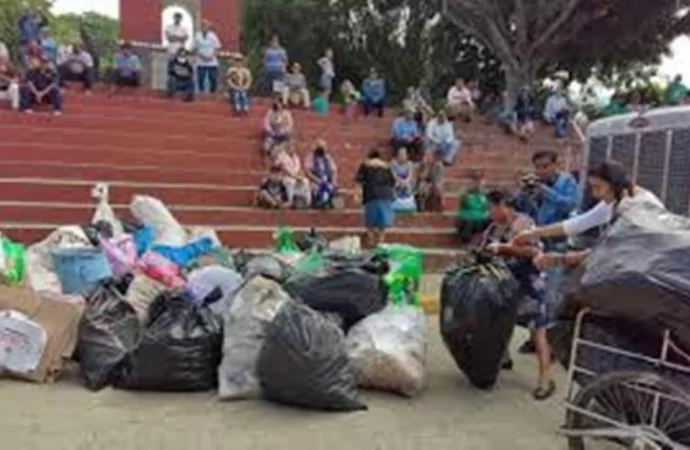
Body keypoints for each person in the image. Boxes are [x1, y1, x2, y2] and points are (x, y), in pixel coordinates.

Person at [482, 190, 556, 401]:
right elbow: (484, 247)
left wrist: (505, 248)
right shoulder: (494, 228)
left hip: (531, 284)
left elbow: (534, 252)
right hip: (508, 283)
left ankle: (546, 379)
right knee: (500, 320)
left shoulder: (524, 224)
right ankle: (503, 358)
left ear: (504, 204)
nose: (490, 212)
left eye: (491, 207)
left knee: (537, 332)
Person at [513, 160, 663, 248]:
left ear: (615, 185)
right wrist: (533, 233)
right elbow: (578, 223)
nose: (595, 194)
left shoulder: (640, 204)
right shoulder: (614, 201)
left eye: (598, 187)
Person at [514, 150, 577, 354]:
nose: (541, 171)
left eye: (545, 166)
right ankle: (535, 340)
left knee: (552, 296)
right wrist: (524, 192)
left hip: (558, 245)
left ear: (555, 165)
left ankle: (550, 344)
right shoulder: (535, 186)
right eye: (537, 167)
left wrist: (545, 191)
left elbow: (570, 206)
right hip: (538, 245)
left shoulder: (567, 182)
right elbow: (523, 209)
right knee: (535, 293)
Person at [355, 149, 396, 247]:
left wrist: (358, 194)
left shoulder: (365, 165)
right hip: (385, 196)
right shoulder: (386, 166)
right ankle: (380, 241)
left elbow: (359, 181)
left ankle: (371, 240)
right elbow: (393, 182)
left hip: (371, 195)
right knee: (383, 222)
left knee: (370, 221)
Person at [456, 169, 489, 244]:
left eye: (481, 180)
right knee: (468, 222)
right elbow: (465, 204)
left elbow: (487, 209)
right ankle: (465, 242)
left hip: (480, 220)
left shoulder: (485, 194)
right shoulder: (466, 193)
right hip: (468, 219)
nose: (479, 183)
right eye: (476, 180)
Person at [274, 142, 311, 209]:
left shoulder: (296, 157)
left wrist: (299, 176)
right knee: (291, 181)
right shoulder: (282, 156)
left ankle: (307, 201)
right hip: (285, 176)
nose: (292, 149)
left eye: (293, 147)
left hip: (296, 176)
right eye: (290, 147)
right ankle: (290, 201)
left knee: (306, 181)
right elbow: (278, 166)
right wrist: (291, 175)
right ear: (287, 147)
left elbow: (299, 169)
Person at [305, 140, 338, 209]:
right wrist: (318, 180)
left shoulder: (327, 157)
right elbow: (308, 172)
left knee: (329, 186)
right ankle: (321, 202)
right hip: (316, 180)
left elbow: (334, 170)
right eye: (321, 147)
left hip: (327, 179)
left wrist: (334, 180)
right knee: (319, 187)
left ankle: (326, 201)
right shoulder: (311, 157)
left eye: (324, 147)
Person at [194, 20, 221, 94]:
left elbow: (217, 47)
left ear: (208, 27)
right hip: (201, 60)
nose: (204, 27)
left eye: (205, 25)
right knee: (201, 78)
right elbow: (195, 48)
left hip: (211, 61)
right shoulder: (197, 35)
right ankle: (201, 93)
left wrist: (211, 56)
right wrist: (202, 56)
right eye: (202, 25)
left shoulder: (213, 36)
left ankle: (213, 93)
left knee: (212, 78)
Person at [390, 148, 417, 212]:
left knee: (408, 185)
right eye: (400, 154)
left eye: (403, 154)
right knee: (396, 184)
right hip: (397, 181)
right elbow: (394, 175)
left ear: (406, 155)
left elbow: (410, 175)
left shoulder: (409, 164)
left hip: (407, 182)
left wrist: (405, 181)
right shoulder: (393, 163)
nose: (402, 156)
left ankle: (409, 204)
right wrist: (400, 181)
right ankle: (395, 204)